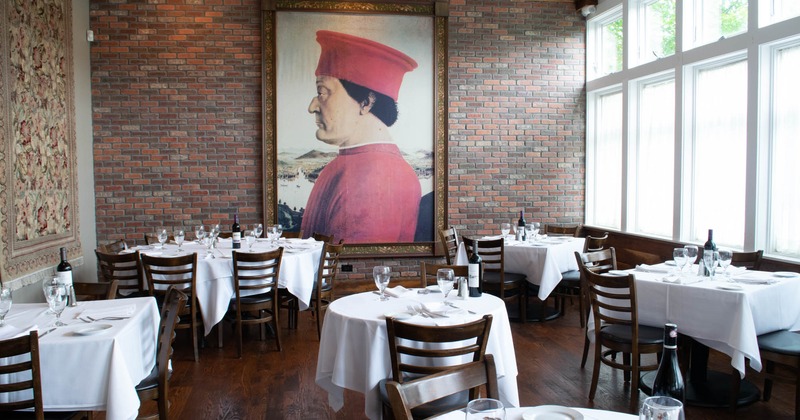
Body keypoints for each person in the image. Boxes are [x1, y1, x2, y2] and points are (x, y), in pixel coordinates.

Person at [301, 30, 422, 243]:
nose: (312, 107)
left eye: (322, 92)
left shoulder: (374, 177)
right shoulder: (355, 165)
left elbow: (353, 262)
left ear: (366, 103)